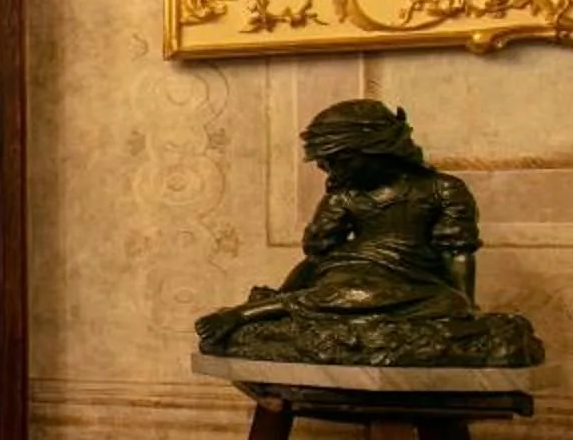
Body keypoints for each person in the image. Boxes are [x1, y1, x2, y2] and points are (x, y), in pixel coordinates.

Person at [194, 101, 539, 367]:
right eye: (325, 162)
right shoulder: (345, 196)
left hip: (417, 279)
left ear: (377, 150)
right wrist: (299, 273)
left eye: (338, 160)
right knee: (349, 292)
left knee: (441, 304)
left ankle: (266, 310)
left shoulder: (441, 189)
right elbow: (318, 253)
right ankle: (248, 313)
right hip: (352, 270)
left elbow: (458, 251)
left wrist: (466, 303)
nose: (328, 170)